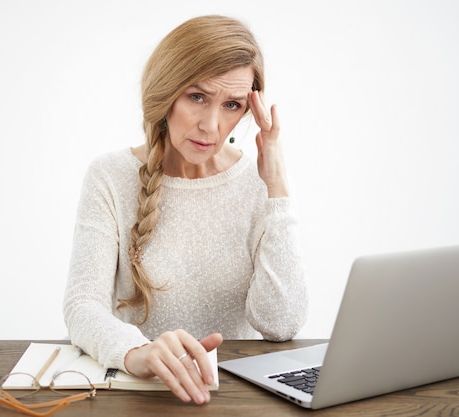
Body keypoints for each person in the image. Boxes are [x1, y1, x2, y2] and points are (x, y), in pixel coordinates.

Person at [63, 14, 308, 405]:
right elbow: (82, 305)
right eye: (197, 97)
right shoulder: (109, 176)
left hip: (232, 400)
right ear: (165, 94)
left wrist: (276, 188)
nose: (211, 125)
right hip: (138, 397)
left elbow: (280, 324)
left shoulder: (257, 181)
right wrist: (135, 353)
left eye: (231, 105)